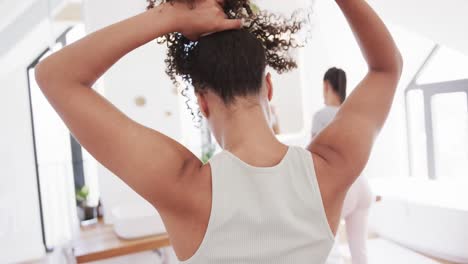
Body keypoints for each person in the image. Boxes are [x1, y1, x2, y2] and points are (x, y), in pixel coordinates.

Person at [35, 0, 402, 263]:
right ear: (269, 88)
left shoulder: (183, 185)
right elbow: (387, 67)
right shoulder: (330, 168)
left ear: (202, 101)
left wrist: (172, 15)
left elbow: (56, 76)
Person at [312, 68, 374, 264]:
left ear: (326, 86)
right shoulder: (355, 115)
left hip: (341, 189)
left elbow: (313, 157)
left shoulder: (321, 116)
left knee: (330, 251)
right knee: (360, 253)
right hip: (363, 186)